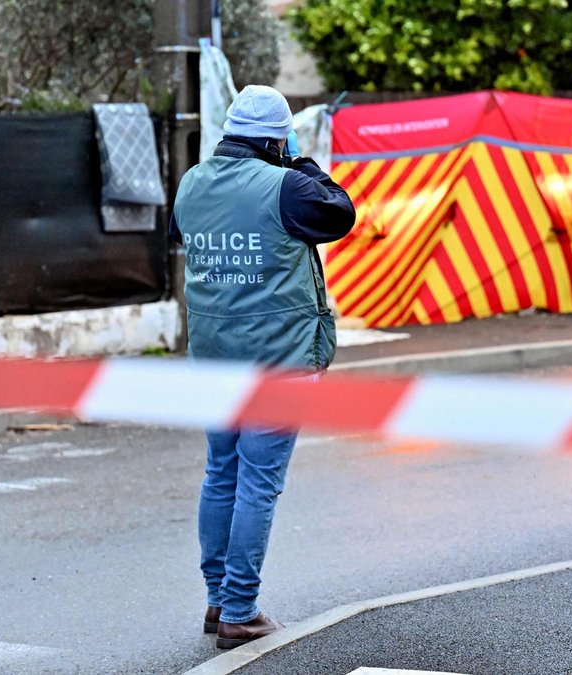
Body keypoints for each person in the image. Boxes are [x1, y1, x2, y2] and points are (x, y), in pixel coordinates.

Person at [170, 85, 356, 649]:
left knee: (220, 474)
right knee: (257, 483)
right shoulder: (289, 185)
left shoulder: (191, 184)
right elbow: (340, 212)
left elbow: (188, 237)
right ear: (276, 140)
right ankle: (240, 609)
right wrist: (299, 160)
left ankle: (215, 600)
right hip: (276, 363)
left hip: (213, 359)